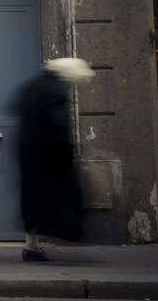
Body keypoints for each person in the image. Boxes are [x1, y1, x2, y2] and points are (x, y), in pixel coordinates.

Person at [12, 57, 94, 261]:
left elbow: (16, 107)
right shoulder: (55, 91)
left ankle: (32, 246)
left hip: (28, 153)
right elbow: (58, 124)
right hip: (48, 156)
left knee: (32, 200)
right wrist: (65, 150)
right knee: (59, 198)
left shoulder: (34, 86)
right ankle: (45, 241)